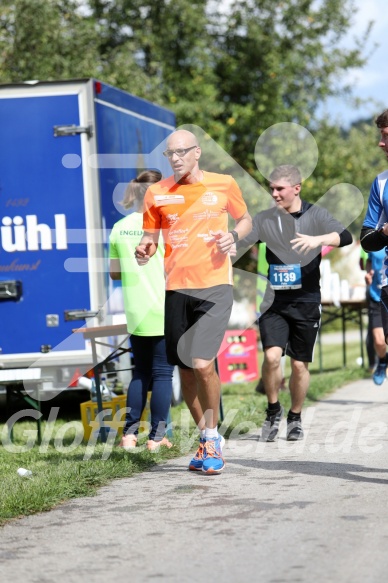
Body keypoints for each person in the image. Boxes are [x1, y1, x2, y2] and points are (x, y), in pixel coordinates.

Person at [135, 129, 252, 474]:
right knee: (185, 372)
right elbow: (150, 237)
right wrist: (145, 249)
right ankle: (206, 435)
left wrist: (232, 236)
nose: (175, 159)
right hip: (177, 289)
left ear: (197, 152)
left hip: (215, 285)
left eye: (182, 152)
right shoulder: (157, 193)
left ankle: (213, 437)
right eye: (170, 154)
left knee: (202, 363)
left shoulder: (224, 184)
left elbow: (245, 220)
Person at [237, 164, 352, 441]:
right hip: (274, 302)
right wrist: (229, 240)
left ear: (296, 188)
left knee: (299, 365)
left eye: (280, 189)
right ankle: (273, 409)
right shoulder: (265, 218)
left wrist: (319, 239)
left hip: (306, 301)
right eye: (271, 188)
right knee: (272, 357)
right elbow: (242, 240)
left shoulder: (316, 215)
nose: (274, 194)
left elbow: (345, 237)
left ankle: (296, 416)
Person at [109, 170, 174, 452]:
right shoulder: (163, 227)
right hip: (162, 308)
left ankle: (129, 435)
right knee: (162, 374)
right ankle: (157, 437)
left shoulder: (119, 227)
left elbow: (114, 274)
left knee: (140, 373)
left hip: (135, 311)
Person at [360, 109, 388, 360]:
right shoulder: (381, 182)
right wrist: (385, 231)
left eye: (387, 136)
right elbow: (367, 239)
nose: (381, 143)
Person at [364, 250, 387, 384]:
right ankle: (383, 361)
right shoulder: (375, 239)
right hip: (377, 297)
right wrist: (368, 273)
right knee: (379, 341)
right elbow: (369, 261)